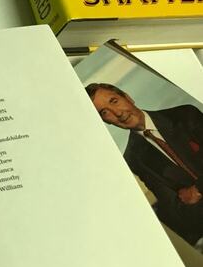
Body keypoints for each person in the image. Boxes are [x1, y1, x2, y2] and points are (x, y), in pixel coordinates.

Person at [86, 82, 203, 247]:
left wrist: (197, 189)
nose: (118, 113)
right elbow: (177, 211)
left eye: (114, 101)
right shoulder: (134, 159)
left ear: (128, 97)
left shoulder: (184, 115)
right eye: (105, 112)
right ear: (105, 121)